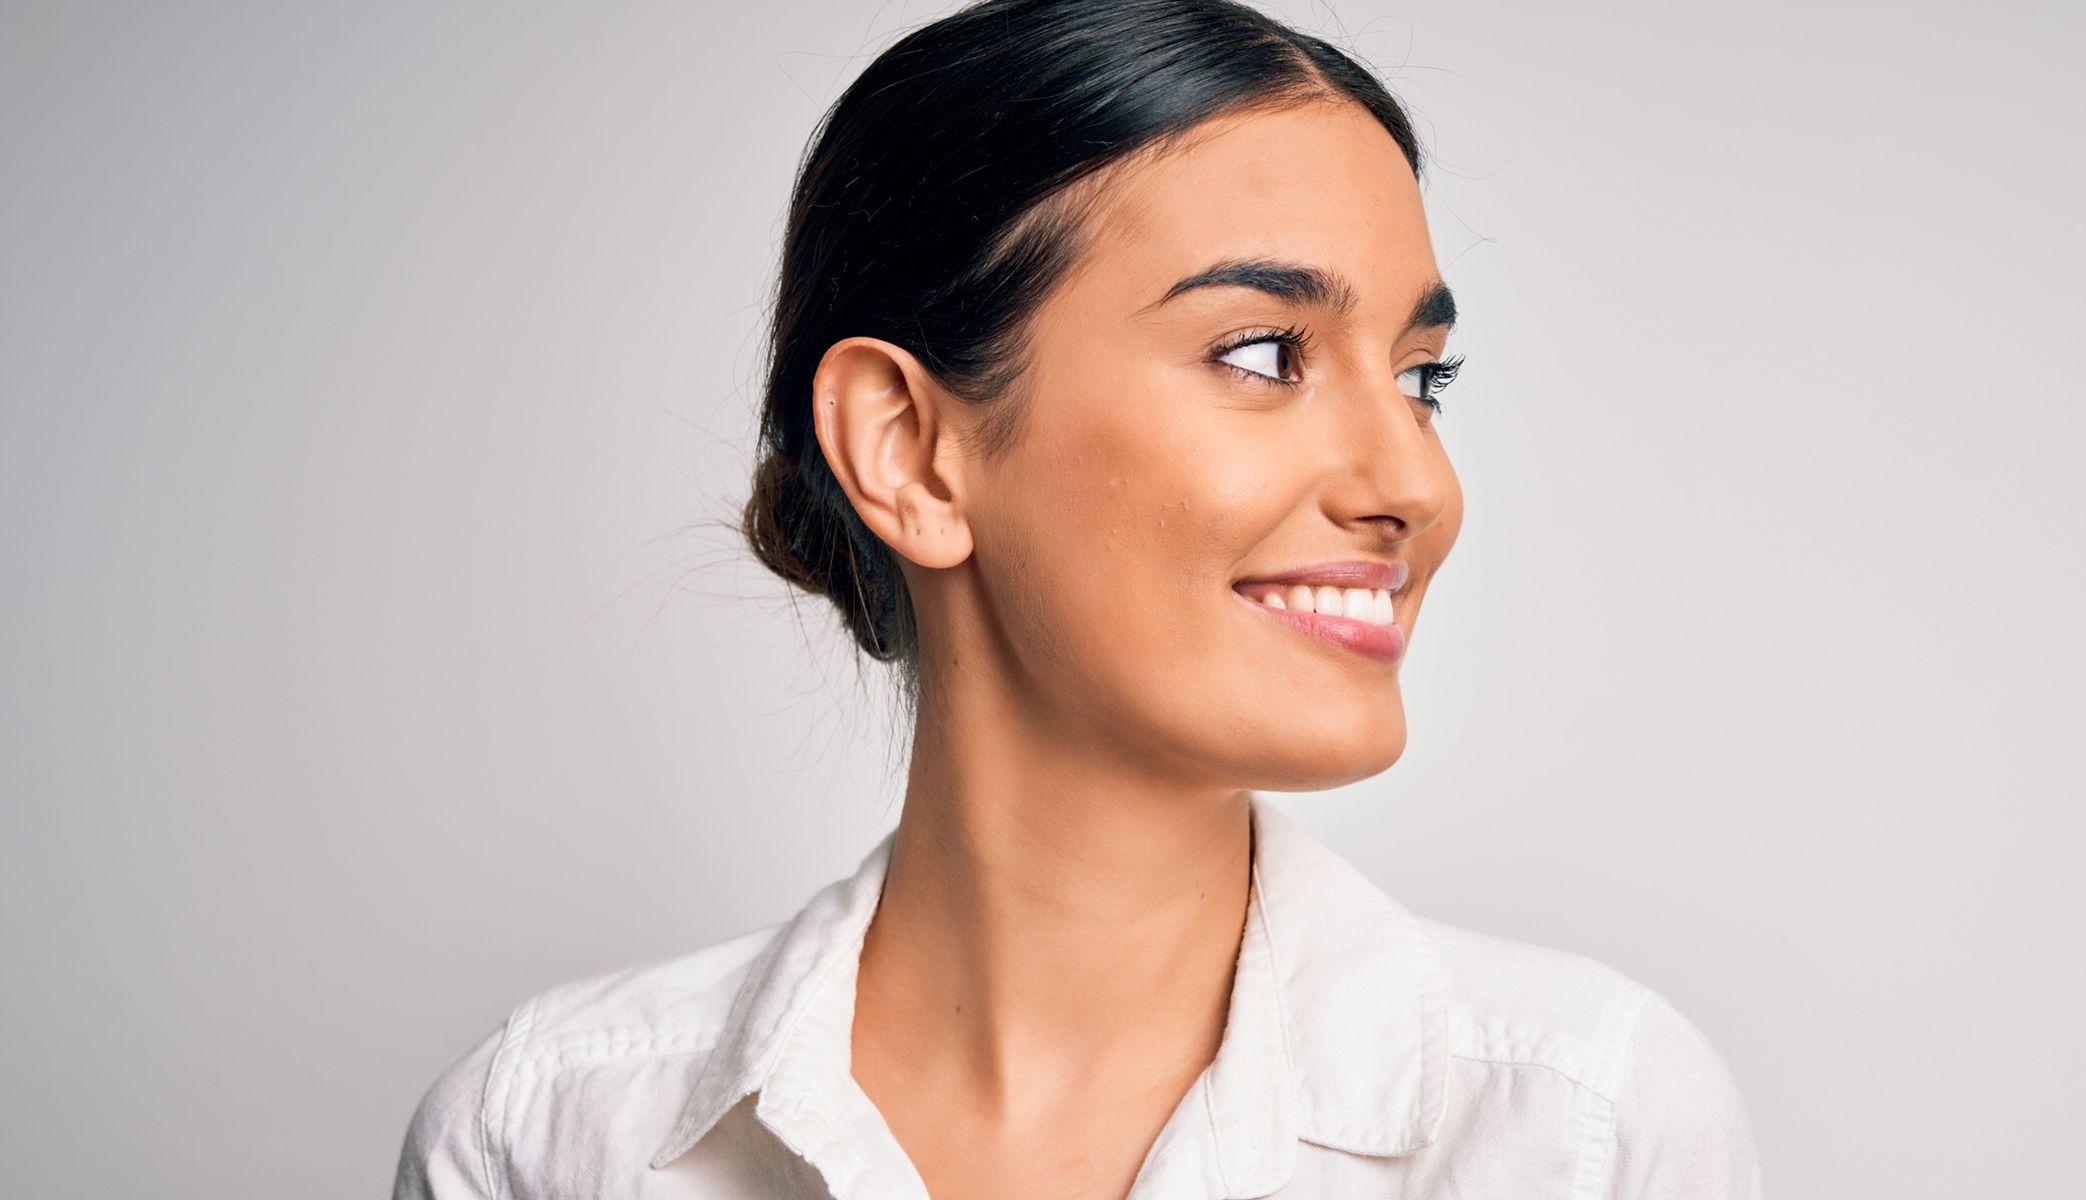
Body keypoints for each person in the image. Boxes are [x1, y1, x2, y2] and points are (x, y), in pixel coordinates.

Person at [390, 1, 1767, 1197]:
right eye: (1263, 352)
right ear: (911, 449)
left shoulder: (1583, 1129)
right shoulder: (546, 1138)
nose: (1415, 482)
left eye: (1421, 377)